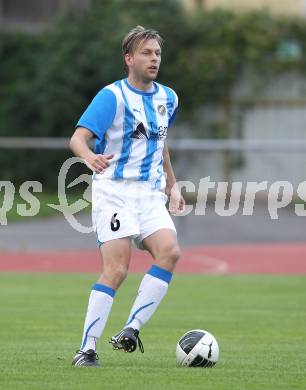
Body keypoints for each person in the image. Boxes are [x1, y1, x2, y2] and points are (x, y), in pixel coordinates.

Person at [70, 25, 185, 367]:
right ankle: (86, 348)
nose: (154, 59)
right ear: (129, 58)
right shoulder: (112, 97)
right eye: (147, 53)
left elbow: (159, 142)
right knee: (117, 270)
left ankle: (131, 330)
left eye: (158, 53)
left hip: (149, 194)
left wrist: (171, 183)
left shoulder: (169, 98)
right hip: (115, 192)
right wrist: (89, 157)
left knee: (170, 252)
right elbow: (78, 138)